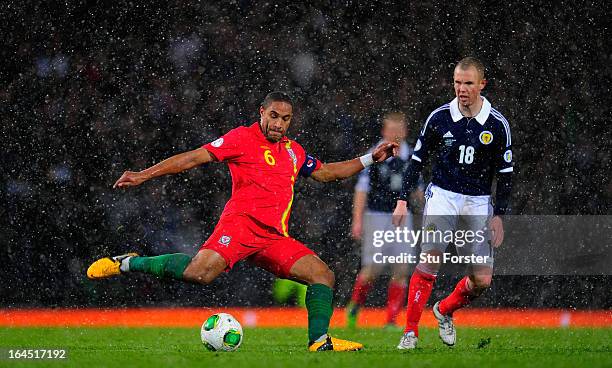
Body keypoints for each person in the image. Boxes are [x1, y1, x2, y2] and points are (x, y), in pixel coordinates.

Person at [87, 91, 399, 352]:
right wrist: (144, 175)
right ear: (262, 112)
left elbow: (327, 172)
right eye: (273, 116)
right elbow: (194, 157)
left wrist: (372, 157)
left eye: (285, 119)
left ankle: (320, 341)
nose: (278, 123)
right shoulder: (241, 138)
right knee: (199, 274)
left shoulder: (293, 151)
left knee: (323, 275)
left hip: (273, 237)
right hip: (239, 227)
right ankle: (129, 263)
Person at [392, 57, 513, 349]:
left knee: (482, 280)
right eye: (458, 82)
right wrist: (401, 200)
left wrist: (499, 215)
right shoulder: (439, 118)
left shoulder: (497, 125)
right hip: (443, 196)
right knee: (430, 258)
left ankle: (444, 310)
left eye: (468, 83)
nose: (462, 89)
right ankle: (410, 332)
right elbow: (417, 161)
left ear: (482, 84)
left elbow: (506, 174)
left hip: (478, 202)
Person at [346, 112, 424, 329]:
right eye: (391, 130)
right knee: (372, 269)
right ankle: (355, 305)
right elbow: (361, 190)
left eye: (398, 130)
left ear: (405, 132)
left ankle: (391, 320)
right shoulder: (375, 154)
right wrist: (357, 220)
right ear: (384, 132)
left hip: (402, 216)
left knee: (401, 268)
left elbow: (418, 190)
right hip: (376, 216)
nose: (395, 134)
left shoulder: (412, 157)